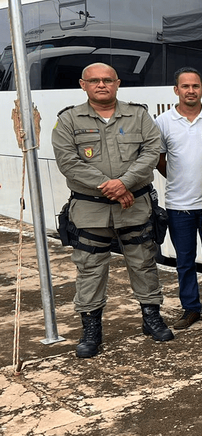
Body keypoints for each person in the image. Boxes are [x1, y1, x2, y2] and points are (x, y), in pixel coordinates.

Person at [52, 62, 171, 358]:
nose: (101, 85)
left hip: (134, 205)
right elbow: (68, 161)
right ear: (83, 84)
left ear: (118, 83)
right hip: (91, 209)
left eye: (107, 80)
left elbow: (151, 152)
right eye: (95, 81)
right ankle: (91, 329)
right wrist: (110, 185)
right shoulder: (68, 119)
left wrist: (125, 183)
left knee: (143, 262)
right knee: (90, 269)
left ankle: (151, 317)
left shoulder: (139, 115)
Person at [155, 67, 202, 330]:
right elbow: (160, 161)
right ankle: (190, 308)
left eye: (196, 86)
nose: (191, 91)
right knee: (184, 260)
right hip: (178, 205)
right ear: (176, 90)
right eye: (185, 86)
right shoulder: (164, 122)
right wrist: (176, 177)